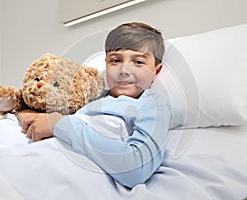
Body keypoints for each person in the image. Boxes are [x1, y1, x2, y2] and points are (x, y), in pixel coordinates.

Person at [17, 22, 171, 188]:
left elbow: (137, 168)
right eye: (115, 60)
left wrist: (60, 124)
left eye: (138, 62)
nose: (124, 70)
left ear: (156, 71)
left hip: (53, 173)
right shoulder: (93, 97)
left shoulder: (152, 104)